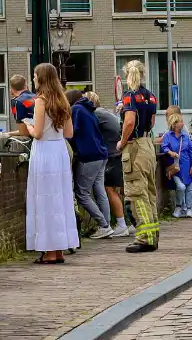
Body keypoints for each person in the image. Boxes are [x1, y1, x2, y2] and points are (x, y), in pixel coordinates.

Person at [25, 63, 79, 263]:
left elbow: (37, 134)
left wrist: (29, 126)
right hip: (59, 151)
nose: (33, 79)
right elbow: (69, 133)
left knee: (45, 200)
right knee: (60, 200)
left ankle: (49, 251)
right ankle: (60, 248)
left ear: (41, 78)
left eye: (34, 75)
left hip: (44, 152)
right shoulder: (63, 100)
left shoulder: (41, 101)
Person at [118, 59, 160, 253]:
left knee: (136, 193)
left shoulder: (129, 97)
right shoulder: (150, 96)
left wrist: (122, 142)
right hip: (147, 145)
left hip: (134, 145)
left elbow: (129, 121)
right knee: (150, 192)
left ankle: (143, 237)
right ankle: (153, 235)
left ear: (127, 75)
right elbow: (151, 122)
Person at [66, 89, 112, 239]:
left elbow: (71, 133)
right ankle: (107, 225)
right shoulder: (88, 108)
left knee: (82, 193)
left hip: (89, 156)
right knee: (99, 189)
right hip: (101, 154)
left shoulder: (76, 110)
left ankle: (103, 224)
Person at [85, 91, 129, 237]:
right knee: (118, 190)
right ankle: (127, 222)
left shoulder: (95, 115)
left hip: (111, 155)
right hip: (117, 154)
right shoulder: (104, 112)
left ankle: (121, 224)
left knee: (109, 190)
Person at [160, 112, 192, 218]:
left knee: (189, 186)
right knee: (181, 187)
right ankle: (179, 206)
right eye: (180, 121)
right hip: (175, 166)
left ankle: (189, 209)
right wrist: (170, 152)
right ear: (174, 124)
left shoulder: (185, 136)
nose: (182, 123)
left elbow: (191, 150)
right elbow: (164, 147)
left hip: (186, 164)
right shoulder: (168, 135)